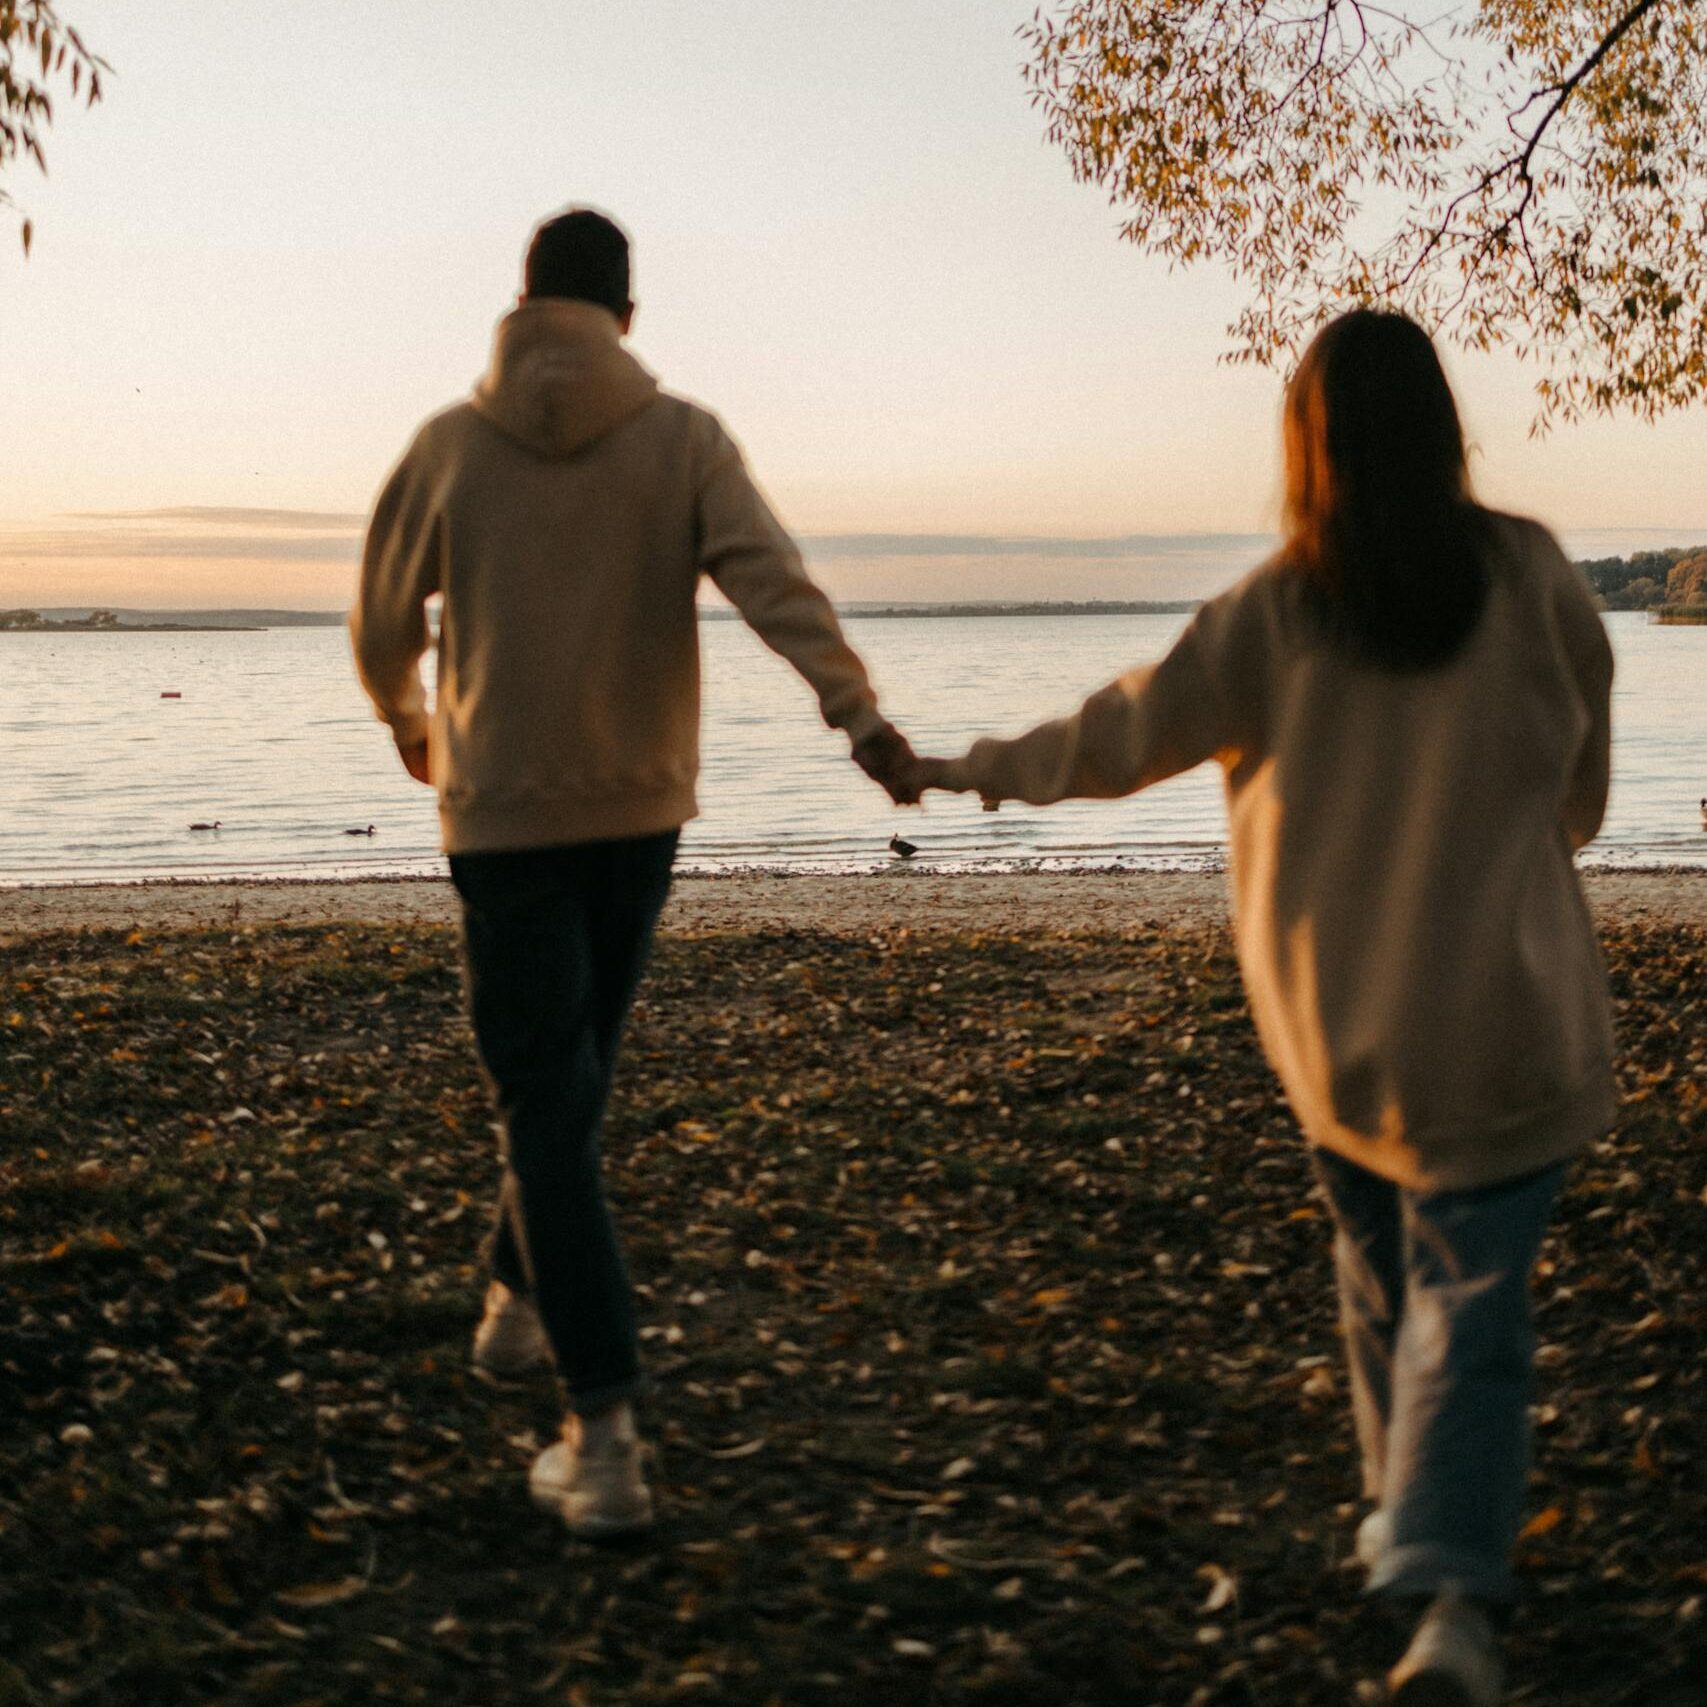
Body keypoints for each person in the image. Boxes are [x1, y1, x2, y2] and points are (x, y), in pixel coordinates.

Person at [915, 309, 1615, 1707]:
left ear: (1309, 447)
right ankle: (1444, 1591)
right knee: (1463, 1310)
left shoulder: (1277, 610)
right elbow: (1580, 788)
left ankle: (1417, 1547)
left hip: (1341, 1034)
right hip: (1508, 1018)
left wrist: (970, 766)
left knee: (1388, 1289)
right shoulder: (1528, 570)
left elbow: (1116, 737)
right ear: (1442, 431)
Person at [351, 207, 917, 1539]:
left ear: (522, 303)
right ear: (627, 319)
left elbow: (381, 620)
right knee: (566, 1083)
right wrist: (858, 714)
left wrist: (411, 721)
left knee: (553, 1094)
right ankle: (515, 1302)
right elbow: (776, 584)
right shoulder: (683, 440)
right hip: (639, 807)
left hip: (498, 816)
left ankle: (601, 1433)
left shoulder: (446, 447)